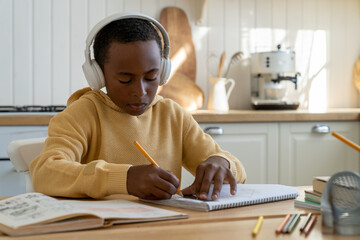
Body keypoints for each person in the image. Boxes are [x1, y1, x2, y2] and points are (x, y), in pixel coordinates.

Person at [29, 13, 246, 201]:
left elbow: (239, 173)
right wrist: (124, 179)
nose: (140, 92)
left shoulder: (172, 116)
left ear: (162, 72)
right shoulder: (82, 114)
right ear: (98, 75)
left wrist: (222, 163)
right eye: (125, 80)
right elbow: (45, 173)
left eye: (151, 77)